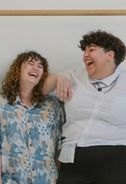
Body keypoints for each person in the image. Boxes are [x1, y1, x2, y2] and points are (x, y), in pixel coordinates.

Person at [43, 30, 126, 184]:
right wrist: (57, 77)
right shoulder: (73, 75)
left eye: (91, 49)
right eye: (84, 50)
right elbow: (38, 90)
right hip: (74, 155)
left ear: (110, 55)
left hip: (116, 156)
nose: (85, 55)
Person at [0, 51, 64, 184]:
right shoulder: (1, 104)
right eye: (30, 63)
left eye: (40, 66)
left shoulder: (52, 105)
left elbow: (59, 144)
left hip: (46, 179)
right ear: (18, 70)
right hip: (12, 180)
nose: (35, 68)